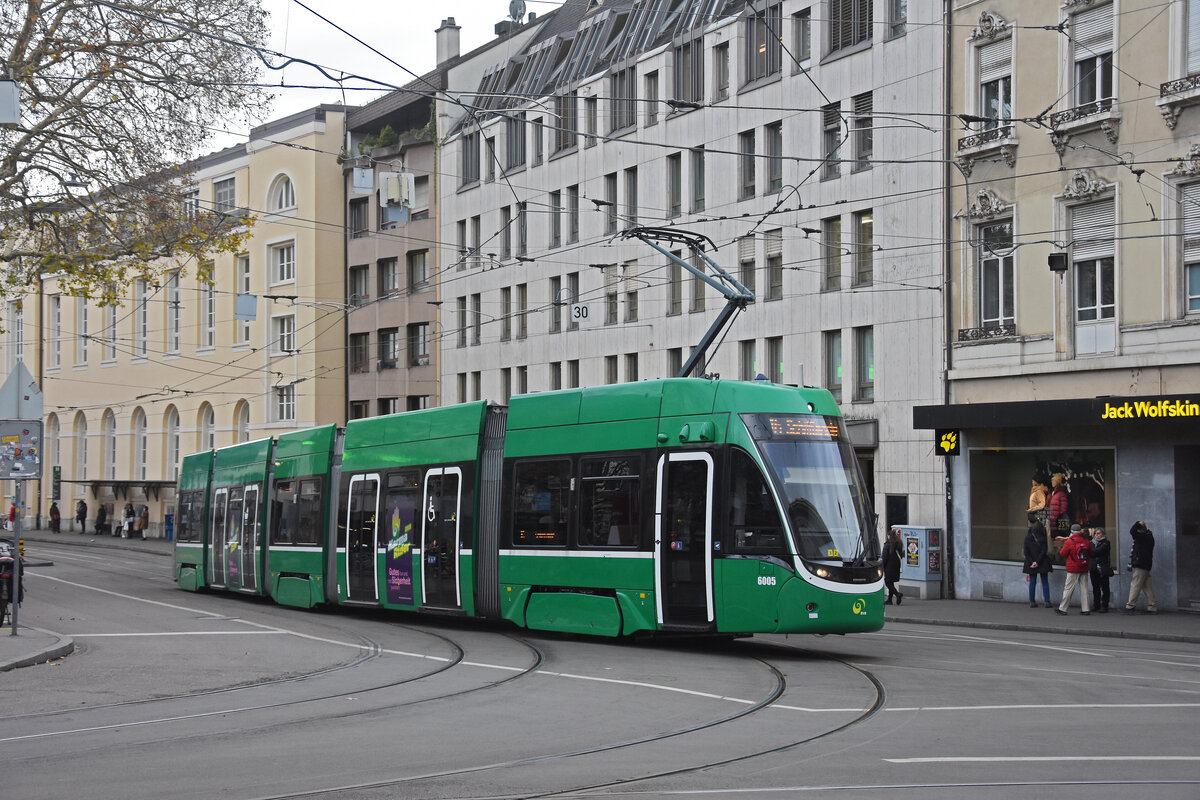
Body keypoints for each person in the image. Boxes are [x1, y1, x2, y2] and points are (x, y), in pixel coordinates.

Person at [1055, 523, 1092, 615]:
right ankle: (1086, 609)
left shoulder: (1069, 541)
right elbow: (1090, 553)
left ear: (1071, 531)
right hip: (1084, 567)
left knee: (1068, 589)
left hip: (1073, 568)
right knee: (1084, 588)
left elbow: (1063, 554)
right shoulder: (1086, 541)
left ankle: (1063, 608)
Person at [1125, 520, 1157, 614]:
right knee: (1147, 587)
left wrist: (1138, 524)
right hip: (1145, 564)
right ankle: (1152, 606)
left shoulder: (1142, 537)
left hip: (1140, 564)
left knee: (1135, 585)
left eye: (1138, 530)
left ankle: (1130, 606)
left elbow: (1132, 531)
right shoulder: (1148, 537)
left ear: (1140, 530)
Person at [1022, 518, 1053, 608]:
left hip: (1031, 562)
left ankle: (1032, 601)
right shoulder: (1043, 538)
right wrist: (1038, 561)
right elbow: (1044, 551)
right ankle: (1047, 601)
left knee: (1032, 581)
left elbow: (1026, 553)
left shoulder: (1027, 538)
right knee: (1044, 581)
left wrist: (1032, 562)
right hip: (1042, 562)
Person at [1089, 527, 1113, 613]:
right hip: (1094, 568)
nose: (1097, 535)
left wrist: (1093, 552)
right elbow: (1090, 552)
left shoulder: (1106, 542)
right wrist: (1093, 552)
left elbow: (1097, 552)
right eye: (1095, 533)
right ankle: (1096, 605)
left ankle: (1105, 606)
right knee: (1095, 588)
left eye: (1099, 533)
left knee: (1105, 588)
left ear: (1103, 534)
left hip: (1103, 568)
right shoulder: (1092, 542)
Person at [882, 529, 903, 605]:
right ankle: (889, 600)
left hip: (889, 566)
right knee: (891, 582)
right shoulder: (898, 544)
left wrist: (882, 566)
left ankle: (897, 594)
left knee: (887, 581)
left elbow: (884, 557)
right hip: (896, 565)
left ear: (889, 536)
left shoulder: (887, 545)